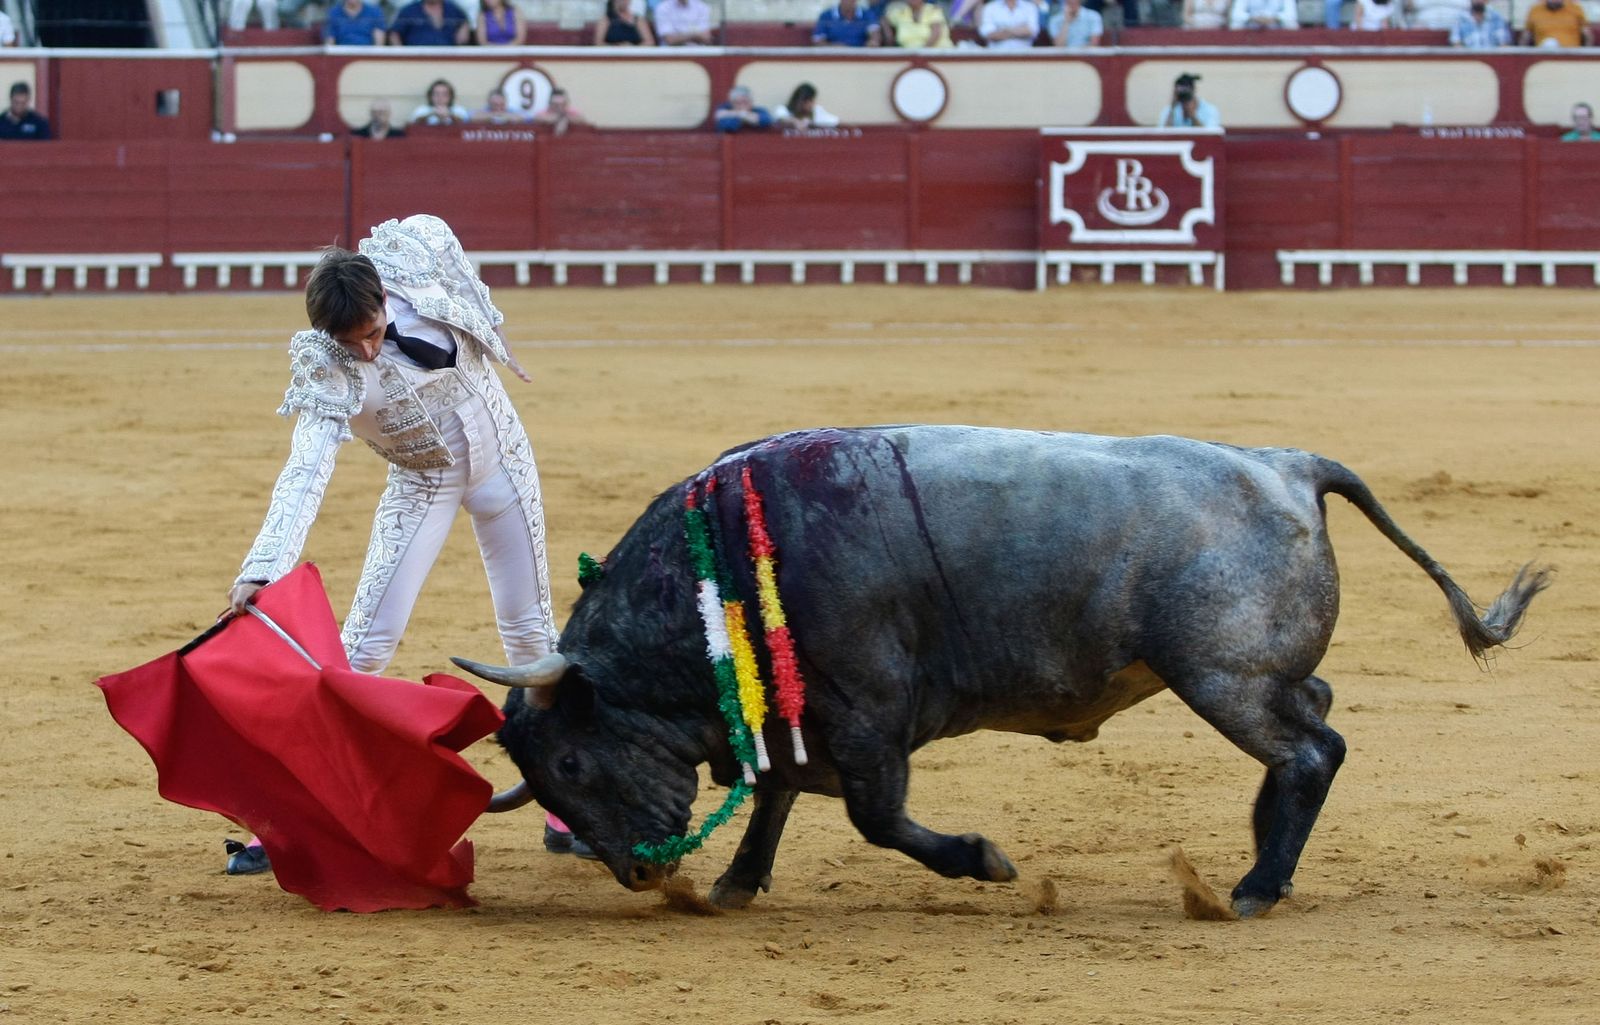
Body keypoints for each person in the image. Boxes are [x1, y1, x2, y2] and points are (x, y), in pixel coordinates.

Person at [225, 214, 577, 873]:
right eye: (348, 343)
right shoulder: (328, 367)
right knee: (363, 646)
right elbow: (306, 469)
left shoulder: (413, 257)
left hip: (505, 458)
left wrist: (490, 327)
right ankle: (289, 816)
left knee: (533, 637)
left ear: (386, 299)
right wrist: (264, 567)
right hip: (423, 483)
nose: (364, 353)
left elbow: (442, 235)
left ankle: (565, 802)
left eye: (372, 334)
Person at [389, 0, 472, 45]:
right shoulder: (409, 10)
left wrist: (464, 28)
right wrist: (402, 55)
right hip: (417, 59)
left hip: (448, 59)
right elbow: (394, 34)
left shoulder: (453, 9)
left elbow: (464, 23)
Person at [1157, 72, 1221, 128]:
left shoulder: (1209, 110)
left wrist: (1193, 116)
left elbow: (1209, 137)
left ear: (1194, 90)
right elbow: (1163, 134)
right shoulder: (1169, 110)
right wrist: (1172, 109)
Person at [881, 0, 953, 47]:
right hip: (909, 56)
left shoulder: (932, 10)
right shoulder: (901, 12)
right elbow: (884, 20)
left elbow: (936, 33)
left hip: (937, 54)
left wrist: (922, 52)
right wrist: (888, 35)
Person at [773, 83, 841, 129]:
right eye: (809, 101)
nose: (811, 104)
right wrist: (795, 122)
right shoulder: (782, 109)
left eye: (812, 100)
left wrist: (811, 124)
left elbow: (835, 122)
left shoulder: (817, 111)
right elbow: (780, 118)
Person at [1520, 0, 1589, 46]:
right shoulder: (1536, 9)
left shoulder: (1575, 8)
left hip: (1570, 53)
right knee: (1550, 43)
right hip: (1543, 55)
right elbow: (1526, 35)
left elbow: (1586, 34)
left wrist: (1585, 54)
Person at [813, 0, 883, 45]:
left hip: (860, 57)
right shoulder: (826, 15)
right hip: (834, 58)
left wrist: (872, 42)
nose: (850, 1)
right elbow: (818, 40)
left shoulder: (867, 14)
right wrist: (833, 47)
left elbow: (875, 35)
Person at [1228, 0, 1298, 28]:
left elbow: (1291, 15)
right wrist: (1253, 18)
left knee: (1291, 23)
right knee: (1236, 23)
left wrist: (1275, 18)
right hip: (1251, 31)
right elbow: (1236, 15)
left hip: (1277, 30)